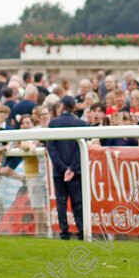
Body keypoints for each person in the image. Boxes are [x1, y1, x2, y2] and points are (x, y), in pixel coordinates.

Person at [46, 95, 87, 240]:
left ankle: (64, 231)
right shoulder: (81, 123)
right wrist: (72, 168)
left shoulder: (53, 123)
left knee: (61, 201)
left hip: (59, 171)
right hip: (76, 170)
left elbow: (51, 148)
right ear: (74, 107)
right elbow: (81, 148)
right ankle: (82, 230)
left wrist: (63, 168)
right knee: (77, 201)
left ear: (62, 106)